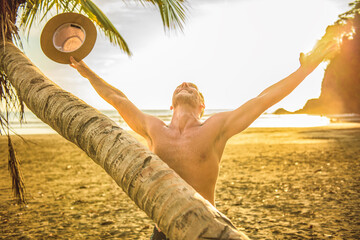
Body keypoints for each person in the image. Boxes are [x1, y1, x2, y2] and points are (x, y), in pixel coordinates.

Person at [70, 41, 336, 240]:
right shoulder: (154, 128)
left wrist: (306, 70)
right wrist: (86, 71)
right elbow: (118, 99)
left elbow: (264, 99)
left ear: (202, 105)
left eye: (193, 87)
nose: (185, 83)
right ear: (171, 105)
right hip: (162, 231)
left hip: (205, 228)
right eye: (180, 85)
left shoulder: (216, 127)